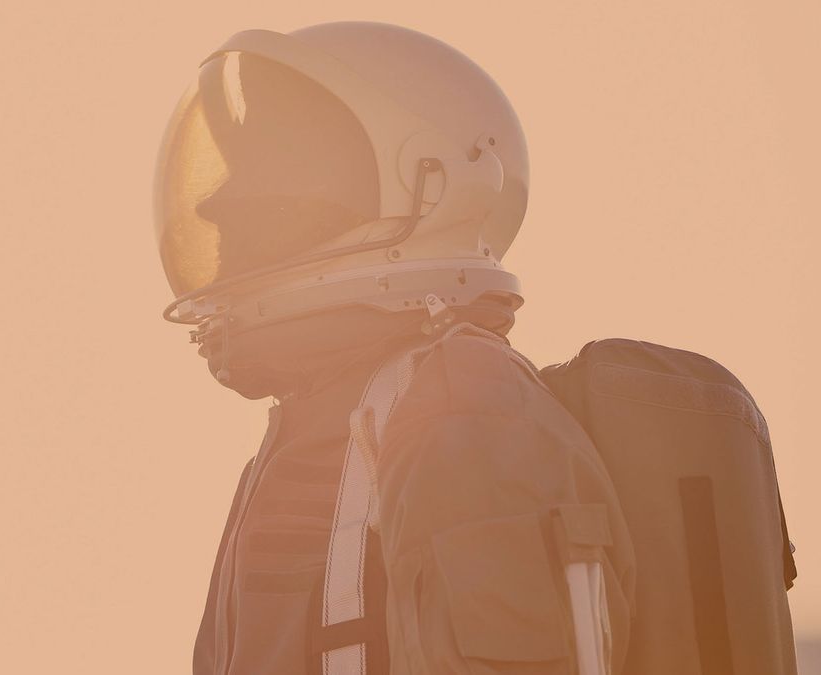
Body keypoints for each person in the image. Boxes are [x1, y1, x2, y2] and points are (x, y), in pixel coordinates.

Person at [154, 21, 637, 675]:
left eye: (277, 167)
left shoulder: (460, 409)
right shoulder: (313, 426)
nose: (221, 206)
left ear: (433, 185)